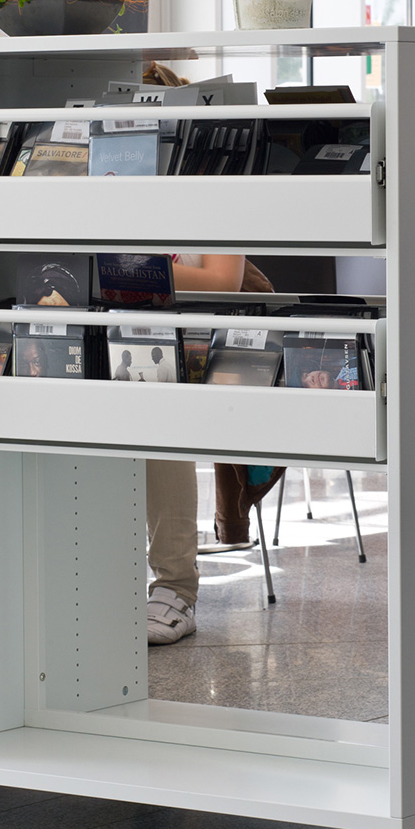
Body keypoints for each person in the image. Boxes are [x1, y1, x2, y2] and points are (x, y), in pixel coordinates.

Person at [146, 253, 244, 645]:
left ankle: (175, 588)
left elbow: (225, 281)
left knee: (158, 413)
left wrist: (123, 269)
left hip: (192, 335)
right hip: (102, 321)